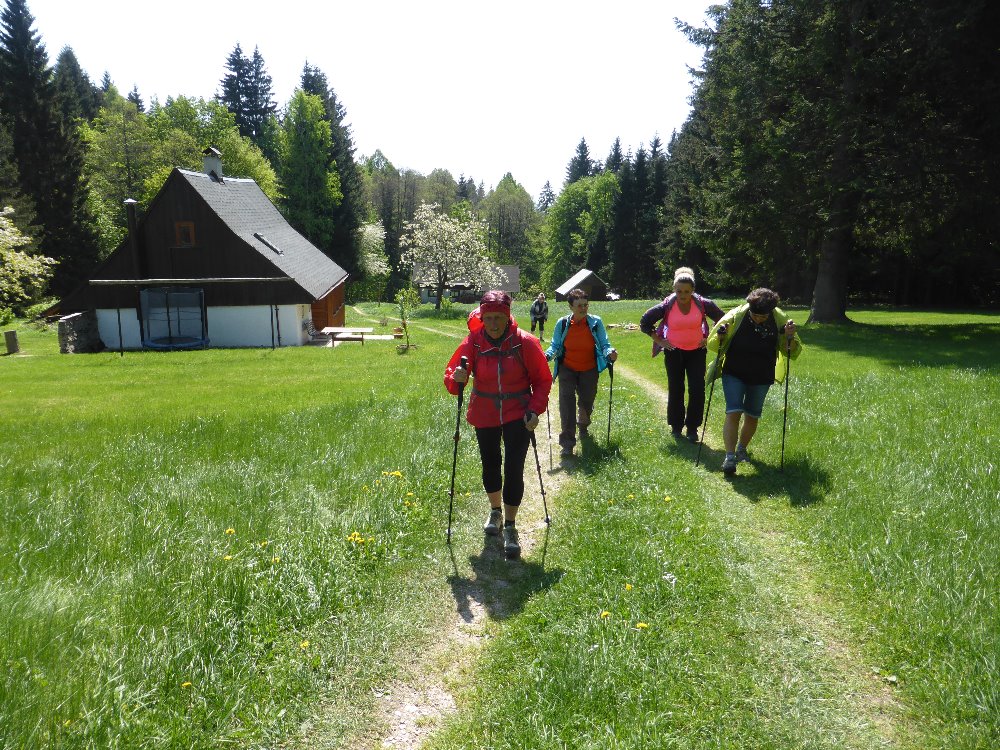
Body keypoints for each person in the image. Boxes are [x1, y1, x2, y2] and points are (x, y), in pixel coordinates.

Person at [444, 290, 552, 557]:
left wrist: (535, 410)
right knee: (490, 463)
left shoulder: (524, 343)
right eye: (488, 318)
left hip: (518, 413)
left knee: (514, 468)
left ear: (507, 317)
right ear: (481, 318)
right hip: (485, 412)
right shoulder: (474, 342)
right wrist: (457, 377)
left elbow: (542, 380)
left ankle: (511, 526)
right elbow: (453, 377)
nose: (493, 324)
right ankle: (495, 512)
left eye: (498, 318)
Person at [705, 288, 802, 476]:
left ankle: (742, 449)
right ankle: (730, 457)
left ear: (771, 312)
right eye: (755, 315)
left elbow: (791, 350)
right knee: (733, 411)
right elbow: (713, 344)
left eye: (762, 316)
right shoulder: (736, 316)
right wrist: (722, 335)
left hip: (762, 374)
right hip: (734, 371)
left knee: (752, 415)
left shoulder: (779, 318)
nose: (758, 318)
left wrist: (789, 336)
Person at [639, 267, 725, 442]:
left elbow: (723, 320)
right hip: (673, 352)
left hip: (697, 352)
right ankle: (676, 427)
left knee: (697, 389)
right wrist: (660, 341)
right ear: (674, 289)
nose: (682, 295)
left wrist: (709, 338)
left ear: (693, 290)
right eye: (679, 291)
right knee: (676, 388)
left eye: (686, 291)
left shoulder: (703, 303)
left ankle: (692, 428)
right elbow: (645, 322)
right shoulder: (667, 305)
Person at [544, 288, 618, 458]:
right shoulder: (562, 324)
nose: (583, 308)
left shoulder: (595, 322)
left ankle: (583, 425)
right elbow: (555, 345)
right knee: (566, 405)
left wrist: (610, 352)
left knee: (586, 401)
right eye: (579, 306)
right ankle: (567, 443)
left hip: (589, 368)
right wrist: (547, 355)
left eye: (585, 305)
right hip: (567, 369)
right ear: (571, 306)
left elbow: (604, 343)